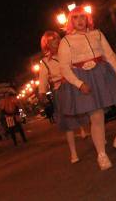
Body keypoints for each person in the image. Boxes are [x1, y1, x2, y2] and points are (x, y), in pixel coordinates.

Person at [56, 5, 116, 171]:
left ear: (88, 19)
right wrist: (79, 83)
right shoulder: (66, 41)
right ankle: (102, 155)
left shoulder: (97, 34)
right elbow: (64, 67)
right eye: (76, 17)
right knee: (97, 116)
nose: (80, 20)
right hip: (84, 77)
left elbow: (110, 55)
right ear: (71, 21)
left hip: (104, 73)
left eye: (83, 17)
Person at [37, 30, 89, 163]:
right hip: (60, 91)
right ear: (46, 45)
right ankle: (73, 153)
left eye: (55, 38)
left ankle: (98, 137)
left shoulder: (67, 51)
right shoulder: (44, 62)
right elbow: (42, 78)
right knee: (68, 123)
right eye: (50, 40)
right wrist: (42, 92)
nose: (54, 42)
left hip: (75, 84)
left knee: (87, 112)